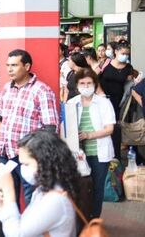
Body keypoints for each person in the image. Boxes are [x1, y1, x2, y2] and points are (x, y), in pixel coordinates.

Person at [0, 49, 59, 206]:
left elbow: (50, 128)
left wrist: (35, 154)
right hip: (5, 153)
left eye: (14, 65)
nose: (9, 69)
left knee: (32, 199)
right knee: (7, 198)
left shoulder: (41, 90)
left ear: (27, 66)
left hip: (28, 158)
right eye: (7, 65)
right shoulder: (7, 88)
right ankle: (11, 231)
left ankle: (32, 230)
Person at [0, 131, 79, 237]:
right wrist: (2, 202)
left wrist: (9, 190)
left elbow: (16, 234)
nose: (22, 168)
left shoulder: (55, 200)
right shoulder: (43, 190)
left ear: (45, 162)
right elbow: (21, 226)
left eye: (26, 164)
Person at [66, 69, 115, 219]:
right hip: (78, 153)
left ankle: (94, 220)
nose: (86, 86)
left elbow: (109, 129)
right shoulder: (71, 103)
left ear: (95, 84)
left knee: (97, 188)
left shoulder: (103, 102)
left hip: (99, 153)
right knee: (79, 187)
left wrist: (89, 135)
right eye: (82, 83)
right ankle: (81, 219)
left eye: (89, 83)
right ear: (77, 85)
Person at [99, 40, 132, 159]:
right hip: (103, 99)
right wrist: (100, 94)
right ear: (116, 51)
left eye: (127, 54)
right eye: (123, 53)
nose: (125, 56)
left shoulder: (128, 67)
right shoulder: (105, 63)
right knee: (103, 126)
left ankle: (116, 156)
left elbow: (129, 83)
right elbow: (95, 78)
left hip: (118, 101)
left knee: (116, 129)